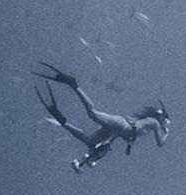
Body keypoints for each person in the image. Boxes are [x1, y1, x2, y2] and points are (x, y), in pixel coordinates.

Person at [32, 63, 168, 172]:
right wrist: (166, 132)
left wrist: (106, 144)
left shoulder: (146, 124)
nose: (163, 123)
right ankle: (74, 85)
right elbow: (160, 143)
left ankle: (60, 118)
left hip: (118, 128)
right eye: (164, 119)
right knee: (93, 114)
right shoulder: (155, 123)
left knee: (89, 141)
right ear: (160, 117)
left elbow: (120, 134)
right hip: (121, 124)